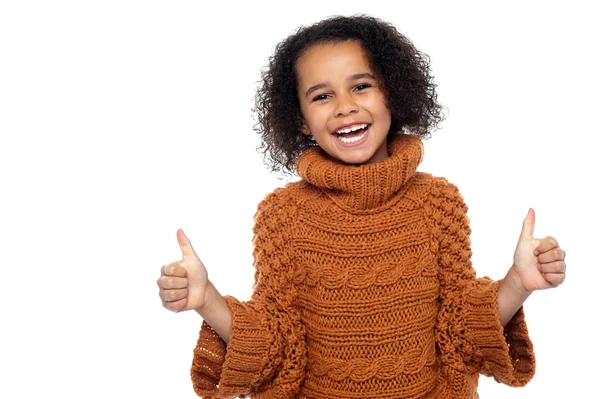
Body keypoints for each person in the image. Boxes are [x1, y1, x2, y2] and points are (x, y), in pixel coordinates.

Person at [157, 14, 567, 399]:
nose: (344, 106)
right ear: (300, 119)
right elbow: (277, 345)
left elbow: (459, 328)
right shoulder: (283, 214)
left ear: (394, 92)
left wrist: (518, 282)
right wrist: (206, 299)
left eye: (361, 86)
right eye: (321, 95)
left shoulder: (438, 202)